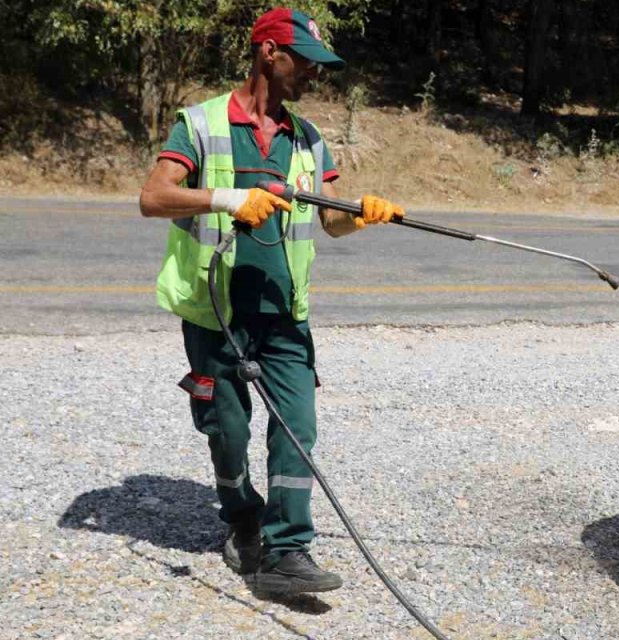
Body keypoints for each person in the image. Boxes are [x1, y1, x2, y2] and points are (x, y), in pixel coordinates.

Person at [138, 7, 404, 594]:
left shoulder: (308, 138)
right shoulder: (201, 123)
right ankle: (242, 519)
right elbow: (154, 197)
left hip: (284, 314)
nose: (314, 73)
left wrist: (364, 213)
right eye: (305, 61)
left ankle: (288, 550)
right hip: (216, 313)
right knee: (227, 432)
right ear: (268, 52)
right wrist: (230, 199)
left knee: (297, 426)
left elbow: (331, 222)